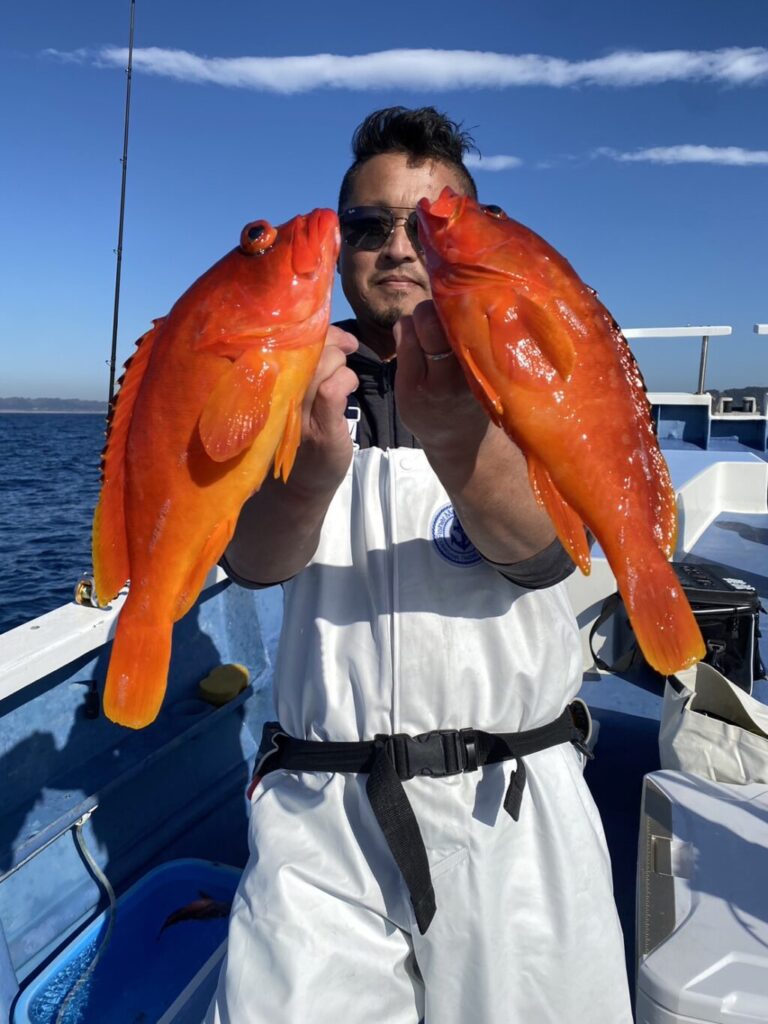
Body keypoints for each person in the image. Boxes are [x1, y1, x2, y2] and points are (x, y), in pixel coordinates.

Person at [206, 106, 633, 1023]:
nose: (397, 247)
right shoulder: (290, 375)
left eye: (426, 223)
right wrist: (306, 481)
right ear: (338, 249)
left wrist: (467, 452)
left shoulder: (528, 365)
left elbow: (542, 556)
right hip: (320, 818)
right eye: (368, 226)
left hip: (510, 808)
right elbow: (253, 563)